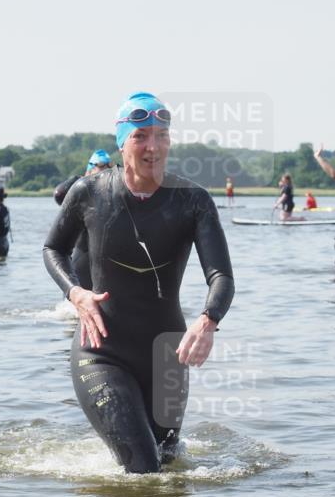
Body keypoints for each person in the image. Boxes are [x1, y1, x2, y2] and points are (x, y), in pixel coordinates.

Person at [43, 91, 234, 474]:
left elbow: (221, 276)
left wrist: (208, 319)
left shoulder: (192, 201)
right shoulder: (89, 192)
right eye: (140, 136)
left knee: (168, 461)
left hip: (167, 356)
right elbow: (53, 249)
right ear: (121, 141)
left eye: (161, 135)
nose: (153, 146)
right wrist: (75, 293)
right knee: (145, 468)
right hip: (101, 351)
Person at [53, 149, 115, 290]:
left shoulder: (114, 188)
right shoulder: (81, 188)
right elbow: (58, 194)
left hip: (105, 261)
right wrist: (79, 180)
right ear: (90, 168)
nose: (105, 172)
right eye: (101, 168)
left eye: (109, 168)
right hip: (83, 256)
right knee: (74, 307)